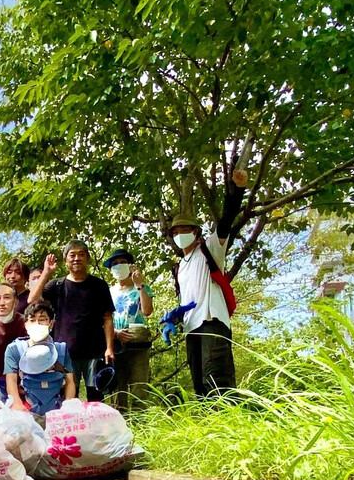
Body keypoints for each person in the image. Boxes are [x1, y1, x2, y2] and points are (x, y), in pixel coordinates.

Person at [167, 169, 248, 398]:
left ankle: (230, 420)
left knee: (217, 382)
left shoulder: (209, 249)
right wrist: (174, 318)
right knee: (200, 388)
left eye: (185, 230)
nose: (180, 235)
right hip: (191, 328)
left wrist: (237, 190)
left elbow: (225, 222)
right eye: (176, 232)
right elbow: (189, 300)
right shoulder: (179, 267)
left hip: (211, 322)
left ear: (196, 232)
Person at [30, 240, 115, 402]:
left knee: (96, 397)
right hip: (65, 352)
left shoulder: (99, 285)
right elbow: (32, 300)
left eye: (81, 254)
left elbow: (107, 318)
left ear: (88, 258)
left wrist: (109, 348)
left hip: (95, 351)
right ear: (65, 260)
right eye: (72, 255)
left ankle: (96, 420)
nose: (77, 258)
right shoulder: (56, 286)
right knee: (68, 398)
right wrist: (46, 272)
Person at [5, 301, 75, 418]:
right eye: (32, 320)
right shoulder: (15, 349)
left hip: (56, 410)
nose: (37, 324)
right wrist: (17, 403)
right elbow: (11, 380)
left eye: (42, 320)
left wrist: (68, 404)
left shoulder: (61, 350)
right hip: (27, 408)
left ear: (51, 323)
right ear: (26, 325)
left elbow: (70, 380)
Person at [104, 248, 154, 411]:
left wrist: (139, 285)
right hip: (115, 343)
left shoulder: (142, 288)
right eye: (115, 264)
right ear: (111, 270)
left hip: (137, 342)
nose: (119, 266)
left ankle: (141, 422)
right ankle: (119, 424)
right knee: (117, 389)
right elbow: (104, 318)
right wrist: (116, 334)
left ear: (130, 266)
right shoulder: (108, 292)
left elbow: (147, 311)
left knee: (139, 386)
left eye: (123, 262)